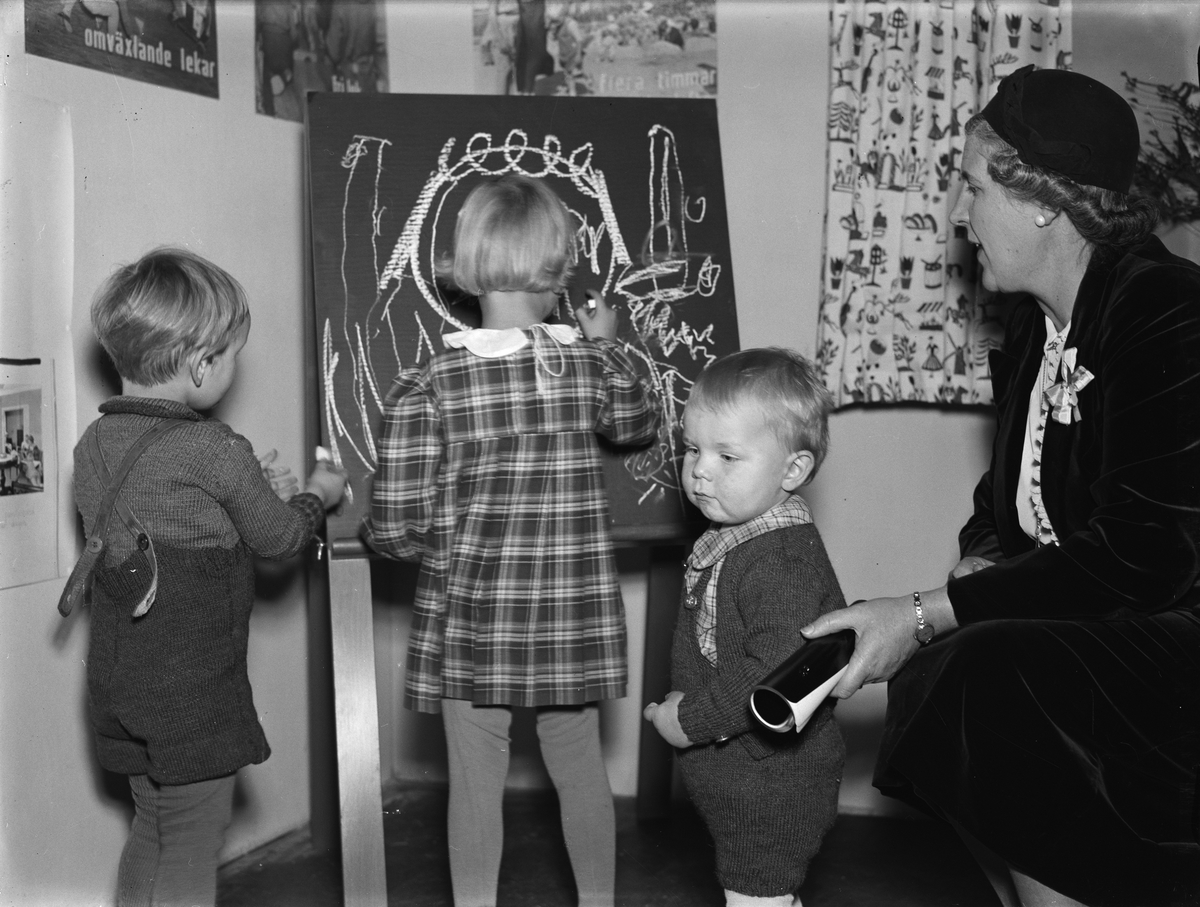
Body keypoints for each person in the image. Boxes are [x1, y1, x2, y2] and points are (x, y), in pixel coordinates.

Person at [802, 65, 1200, 907]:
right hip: (1106, 629)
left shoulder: (1168, 311)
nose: (958, 213)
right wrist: (980, 565)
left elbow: (1144, 555)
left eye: (975, 187)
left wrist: (923, 612)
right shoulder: (1034, 324)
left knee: (974, 668)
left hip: (1177, 639)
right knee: (941, 671)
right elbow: (1001, 511)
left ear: (1043, 202)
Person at [362, 174, 659, 907]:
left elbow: (395, 529)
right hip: (571, 618)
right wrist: (607, 345)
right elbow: (637, 423)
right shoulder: (588, 367)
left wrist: (416, 539)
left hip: (471, 617)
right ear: (559, 268)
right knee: (580, 768)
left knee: (475, 783)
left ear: (467, 264)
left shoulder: (429, 384)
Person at [74, 246, 347, 907]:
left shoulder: (93, 444)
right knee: (194, 840)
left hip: (119, 682)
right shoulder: (214, 449)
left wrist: (248, 491)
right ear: (200, 364)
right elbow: (280, 538)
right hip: (190, 693)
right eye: (230, 356)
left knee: (151, 826)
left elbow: (160, 512)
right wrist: (316, 493)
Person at [644, 348, 846, 907]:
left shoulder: (780, 561)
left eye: (727, 456)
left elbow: (775, 672)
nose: (700, 469)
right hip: (747, 780)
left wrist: (688, 720)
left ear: (792, 471)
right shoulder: (738, 538)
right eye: (692, 448)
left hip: (771, 788)